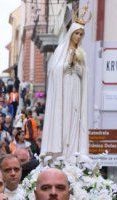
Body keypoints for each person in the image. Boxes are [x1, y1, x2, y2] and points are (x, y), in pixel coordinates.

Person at [41, 21, 88, 159]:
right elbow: (53, 70)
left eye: (81, 34)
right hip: (63, 90)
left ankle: (73, 153)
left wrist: (76, 65)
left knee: (74, 117)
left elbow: (84, 74)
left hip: (76, 89)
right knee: (63, 118)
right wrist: (68, 63)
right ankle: (60, 153)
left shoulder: (82, 53)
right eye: (76, 33)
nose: (78, 37)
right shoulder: (60, 50)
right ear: (71, 34)